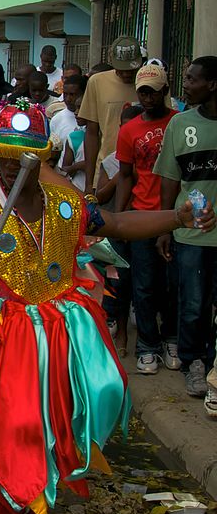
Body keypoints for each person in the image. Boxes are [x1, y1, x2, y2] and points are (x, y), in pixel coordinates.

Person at [0, 98, 214, 514]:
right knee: (6, 445)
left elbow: (118, 224)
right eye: (3, 154)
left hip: (56, 344)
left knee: (44, 442)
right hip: (0, 346)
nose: (11, 165)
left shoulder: (67, 204)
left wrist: (178, 216)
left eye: (23, 155)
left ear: (44, 156)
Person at [154, 56, 217, 414]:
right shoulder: (180, 124)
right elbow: (169, 179)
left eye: (192, 79)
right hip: (191, 236)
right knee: (192, 304)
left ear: (212, 85)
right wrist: (167, 225)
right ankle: (194, 362)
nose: (186, 85)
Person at [114, 63, 179, 375]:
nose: (148, 98)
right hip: (142, 215)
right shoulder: (129, 131)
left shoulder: (179, 122)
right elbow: (125, 176)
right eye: (143, 92)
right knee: (143, 285)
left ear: (164, 90)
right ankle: (148, 346)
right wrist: (118, 220)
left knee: (173, 284)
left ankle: (171, 338)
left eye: (153, 92)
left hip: (177, 217)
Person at [80, 35, 142, 195]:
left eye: (131, 69)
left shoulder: (150, 83)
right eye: (122, 69)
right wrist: (89, 183)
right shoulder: (97, 82)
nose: (127, 74)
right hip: (107, 174)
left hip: (144, 176)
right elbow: (92, 133)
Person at [51, 72, 89, 190]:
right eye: (65, 94)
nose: (68, 99)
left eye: (72, 94)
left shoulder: (92, 121)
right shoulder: (57, 119)